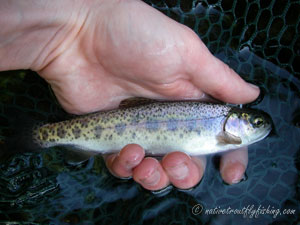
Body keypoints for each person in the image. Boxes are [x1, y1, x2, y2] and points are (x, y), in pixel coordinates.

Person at [0, 0, 259, 191]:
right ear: (236, 119)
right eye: (254, 123)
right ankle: (39, 135)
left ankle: (40, 135)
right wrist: (79, 26)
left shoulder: (222, 119)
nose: (258, 126)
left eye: (256, 123)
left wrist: (79, 24)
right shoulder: (221, 116)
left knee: (147, 164)